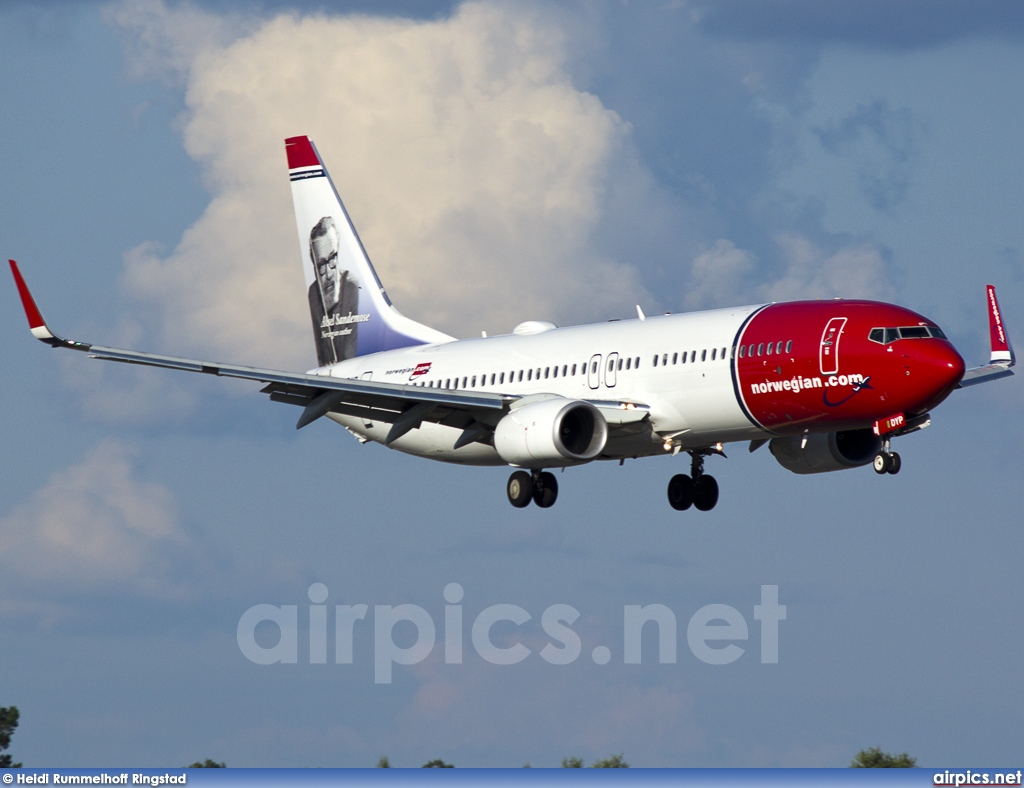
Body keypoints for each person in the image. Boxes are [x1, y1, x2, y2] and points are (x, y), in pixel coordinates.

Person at [307, 216, 359, 365]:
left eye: (333, 259)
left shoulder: (350, 286)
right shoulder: (314, 294)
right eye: (322, 265)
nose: (329, 274)